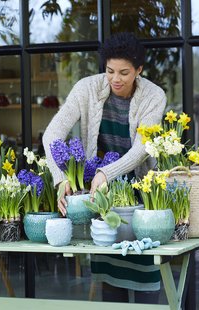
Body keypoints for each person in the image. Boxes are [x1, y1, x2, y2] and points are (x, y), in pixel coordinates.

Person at [42, 32, 167, 303]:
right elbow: (51, 135)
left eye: (124, 72)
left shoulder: (154, 96)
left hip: (140, 196)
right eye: (110, 71)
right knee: (111, 279)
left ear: (139, 71)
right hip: (102, 200)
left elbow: (142, 149)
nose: (115, 79)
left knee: (145, 272)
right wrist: (60, 178)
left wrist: (105, 172)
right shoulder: (86, 89)